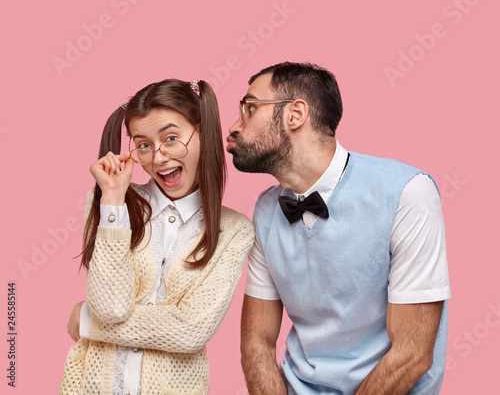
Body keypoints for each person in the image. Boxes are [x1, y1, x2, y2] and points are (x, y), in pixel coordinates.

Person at [227, 62, 450, 394]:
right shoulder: (266, 210)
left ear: (295, 114)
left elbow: (412, 354)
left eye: (250, 108)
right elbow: (257, 342)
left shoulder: (407, 192)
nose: (233, 126)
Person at [59, 79, 254, 395]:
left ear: (203, 132)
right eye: (144, 144)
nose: (158, 157)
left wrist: (87, 321)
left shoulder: (234, 231)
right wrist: (112, 201)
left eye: (172, 138)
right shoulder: (112, 203)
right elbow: (110, 308)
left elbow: (190, 329)